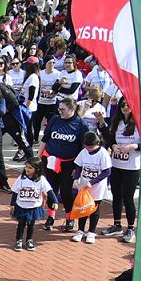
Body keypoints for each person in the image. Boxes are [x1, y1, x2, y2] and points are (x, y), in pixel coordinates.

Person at [39, 97, 88, 231]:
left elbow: (84, 148)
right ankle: (51, 216)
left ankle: (69, 218)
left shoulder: (80, 124)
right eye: (59, 109)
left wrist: (78, 167)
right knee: (51, 190)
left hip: (69, 164)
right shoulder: (55, 119)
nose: (60, 112)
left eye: (63, 109)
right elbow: (45, 139)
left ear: (72, 109)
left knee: (66, 192)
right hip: (50, 161)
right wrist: (38, 158)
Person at [98, 98, 141, 244]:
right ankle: (117, 225)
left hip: (132, 166)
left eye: (128, 105)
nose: (125, 108)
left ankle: (130, 228)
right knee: (116, 196)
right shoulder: (117, 121)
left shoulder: (139, 122)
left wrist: (134, 146)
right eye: (122, 105)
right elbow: (109, 139)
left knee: (128, 197)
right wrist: (113, 145)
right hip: (116, 164)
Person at [70, 131, 113, 244]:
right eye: (86, 146)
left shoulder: (103, 154)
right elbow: (78, 166)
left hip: (97, 187)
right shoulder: (83, 152)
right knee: (83, 207)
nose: (88, 149)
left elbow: (106, 171)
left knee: (94, 209)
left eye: (91, 146)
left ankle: (91, 232)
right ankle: (80, 230)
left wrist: (93, 182)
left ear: (97, 143)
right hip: (84, 185)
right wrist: (76, 178)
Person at [10, 157, 59, 252]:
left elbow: (49, 191)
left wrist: (55, 201)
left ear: (37, 169)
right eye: (26, 167)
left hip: (34, 207)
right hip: (22, 206)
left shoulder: (41, 180)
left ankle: (29, 240)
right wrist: (12, 204)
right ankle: (19, 239)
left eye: (30, 168)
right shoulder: (21, 178)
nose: (27, 169)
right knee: (21, 223)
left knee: (31, 224)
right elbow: (15, 192)